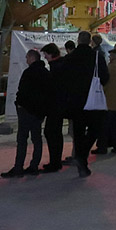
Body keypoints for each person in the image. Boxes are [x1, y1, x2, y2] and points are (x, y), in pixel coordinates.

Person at [66, 30, 110, 177]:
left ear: (78, 40)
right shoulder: (97, 57)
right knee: (95, 130)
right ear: (90, 41)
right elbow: (105, 78)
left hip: (75, 102)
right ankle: (82, 156)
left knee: (78, 133)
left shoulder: (70, 58)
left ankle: (81, 161)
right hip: (93, 100)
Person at [2, 48, 48, 177]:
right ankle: (34, 166)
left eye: (27, 57)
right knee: (37, 139)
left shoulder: (28, 73)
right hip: (38, 112)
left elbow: (22, 91)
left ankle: (18, 168)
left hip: (26, 111)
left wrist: (19, 104)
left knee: (22, 139)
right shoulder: (45, 73)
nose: (26, 60)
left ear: (32, 58)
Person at [39, 43, 69, 173]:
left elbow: (54, 89)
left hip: (55, 106)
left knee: (51, 133)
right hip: (59, 106)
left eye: (45, 54)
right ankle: (55, 161)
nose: (44, 57)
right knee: (54, 133)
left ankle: (55, 162)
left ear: (51, 54)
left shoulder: (56, 68)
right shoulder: (61, 65)